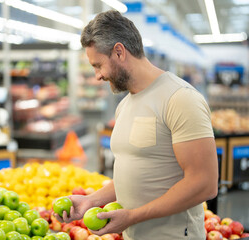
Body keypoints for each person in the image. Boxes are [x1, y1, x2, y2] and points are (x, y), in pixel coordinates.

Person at [54, 10, 218, 239]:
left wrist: (133, 216)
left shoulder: (180, 98)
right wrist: (91, 201)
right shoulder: (124, 105)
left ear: (119, 52)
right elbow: (138, 175)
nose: (97, 76)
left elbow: (205, 183)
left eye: (98, 65)